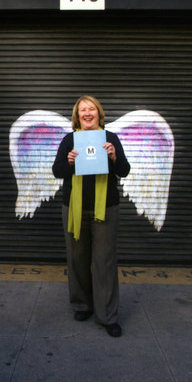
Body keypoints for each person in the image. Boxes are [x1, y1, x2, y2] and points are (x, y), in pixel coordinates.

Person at [52, 96, 130, 337]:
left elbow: (124, 171)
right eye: (82, 110)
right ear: (77, 116)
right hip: (74, 209)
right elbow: (57, 172)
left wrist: (114, 157)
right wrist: (69, 161)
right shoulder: (69, 140)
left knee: (104, 262)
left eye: (91, 109)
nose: (87, 113)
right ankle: (82, 305)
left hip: (106, 208)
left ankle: (107, 315)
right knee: (77, 258)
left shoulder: (110, 139)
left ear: (99, 113)